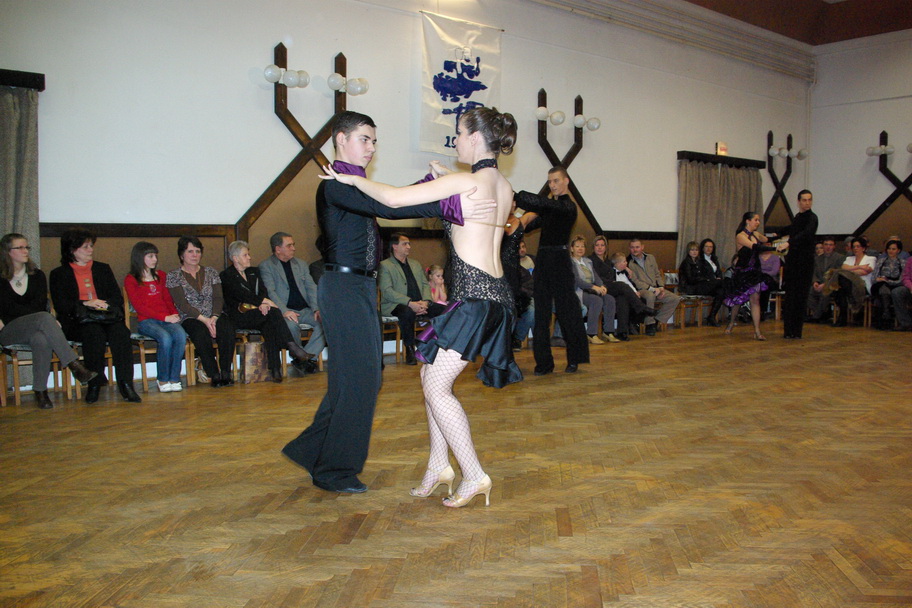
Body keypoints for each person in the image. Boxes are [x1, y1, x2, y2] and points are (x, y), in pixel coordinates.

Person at [280, 110, 495, 495]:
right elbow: (389, 206)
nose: (371, 147)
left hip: (360, 288)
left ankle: (312, 450)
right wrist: (449, 203)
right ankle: (335, 471)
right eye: (364, 139)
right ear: (341, 139)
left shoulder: (356, 184)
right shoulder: (335, 183)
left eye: (374, 141)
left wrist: (429, 185)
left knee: (355, 377)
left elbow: (390, 199)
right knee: (362, 378)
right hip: (343, 287)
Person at [321, 106, 523, 508]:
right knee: (430, 373)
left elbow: (394, 200)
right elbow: (455, 204)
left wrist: (350, 179)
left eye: (459, 134)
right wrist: (440, 177)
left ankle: (474, 474)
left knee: (436, 387)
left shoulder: (464, 182)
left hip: (475, 300)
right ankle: (438, 467)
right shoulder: (503, 186)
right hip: (495, 296)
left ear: (474, 137)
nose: (456, 141)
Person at [1, 233, 97, 408]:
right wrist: (43, 320)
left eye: (26, 247)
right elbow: (7, 308)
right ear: (7, 252)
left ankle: (40, 391)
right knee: (44, 317)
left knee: (41, 339)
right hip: (9, 329)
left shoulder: (37, 275)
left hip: (36, 326)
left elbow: (39, 304)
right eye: (20, 247)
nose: (25, 251)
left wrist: (42, 320)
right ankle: (74, 364)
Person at [49, 229, 141, 404]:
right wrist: (86, 303)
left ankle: (126, 385)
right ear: (72, 249)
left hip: (106, 317)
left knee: (121, 333)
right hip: (78, 321)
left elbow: (117, 298)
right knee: (93, 333)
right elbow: (61, 305)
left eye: (91, 246)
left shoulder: (102, 268)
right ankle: (94, 384)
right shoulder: (58, 274)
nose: (90, 250)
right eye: (85, 247)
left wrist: (104, 303)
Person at [513, 167, 589, 375]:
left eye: (556, 181)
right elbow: (528, 225)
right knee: (541, 313)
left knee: (567, 311)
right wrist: (515, 216)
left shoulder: (567, 207)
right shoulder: (550, 208)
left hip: (560, 261)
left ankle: (574, 359)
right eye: (550, 182)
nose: (552, 185)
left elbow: (541, 203)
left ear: (566, 181)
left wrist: (514, 195)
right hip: (544, 261)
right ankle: (544, 364)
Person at [221, 240, 317, 382]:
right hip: (239, 315)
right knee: (274, 312)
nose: (249, 257)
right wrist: (263, 302)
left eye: (248, 254)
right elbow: (241, 295)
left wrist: (263, 302)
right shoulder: (226, 275)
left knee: (270, 325)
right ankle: (292, 346)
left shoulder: (254, 272)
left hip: (258, 313)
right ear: (235, 258)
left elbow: (263, 290)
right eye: (245, 255)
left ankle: (275, 369)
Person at [166, 236, 236, 387]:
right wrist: (204, 320)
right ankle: (213, 374)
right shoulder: (173, 276)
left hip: (214, 314)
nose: (195, 255)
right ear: (181, 255)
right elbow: (182, 304)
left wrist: (214, 317)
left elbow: (218, 298)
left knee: (227, 328)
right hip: (190, 317)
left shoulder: (211, 272)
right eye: (190, 251)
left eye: (197, 251)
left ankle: (226, 372)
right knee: (200, 332)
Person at [124, 241, 188, 393]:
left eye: (155, 256)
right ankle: (163, 378)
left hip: (166, 318)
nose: (155, 259)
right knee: (165, 338)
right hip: (146, 321)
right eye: (150, 256)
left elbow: (167, 299)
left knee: (180, 334)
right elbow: (139, 307)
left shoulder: (161, 276)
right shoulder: (131, 279)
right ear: (140, 257)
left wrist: (174, 314)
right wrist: (164, 317)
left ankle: (174, 378)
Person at [257, 231, 323, 373]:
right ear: (278, 249)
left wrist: (316, 309)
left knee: (325, 322)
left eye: (293, 245)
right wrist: (284, 311)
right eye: (289, 245)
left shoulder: (301, 264)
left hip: (305, 310)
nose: (293, 248)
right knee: (291, 326)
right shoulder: (266, 266)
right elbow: (270, 292)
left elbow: (311, 288)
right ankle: (302, 358)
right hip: (285, 311)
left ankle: (305, 359)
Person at [378, 233, 447, 365]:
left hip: (420, 303)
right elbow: (387, 291)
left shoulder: (415, 264)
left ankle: (439, 347)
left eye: (409, 244)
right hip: (396, 305)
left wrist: (426, 301)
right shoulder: (385, 265)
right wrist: (410, 303)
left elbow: (425, 284)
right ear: (395, 247)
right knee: (407, 312)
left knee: (444, 310)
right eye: (405, 244)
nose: (409, 247)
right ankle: (410, 350)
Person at [723, 212, 780, 340]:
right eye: (756, 220)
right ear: (748, 221)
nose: (758, 222)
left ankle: (757, 331)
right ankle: (731, 322)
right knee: (738, 300)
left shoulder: (756, 234)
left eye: (759, 220)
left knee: (755, 299)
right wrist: (775, 249)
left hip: (755, 271)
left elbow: (767, 240)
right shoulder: (740, 236)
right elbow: (755, 247)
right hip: (743, 272)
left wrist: (781, 236)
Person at [588, 235, 654, 340]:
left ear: (606, 247)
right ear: (593, 247)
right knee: (622, 285)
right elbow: (594, 277)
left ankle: (622, 332)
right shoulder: (590, 260)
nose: (600, 247)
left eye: (602, 245)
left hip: (610, 287)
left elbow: (617, 267)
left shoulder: (608, 261)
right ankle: (640, 307)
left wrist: (626, 269)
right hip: (599, 287)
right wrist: (611, 283)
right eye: (597, 245)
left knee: (622, 299)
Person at [774, 189, 818, 339]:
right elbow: (791, 229)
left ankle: (796, 331)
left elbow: (806, 233)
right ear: (799, 202)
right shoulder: (798, 217)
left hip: (805, 263)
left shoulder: (812, 218)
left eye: (809, 200)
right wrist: (774, 235)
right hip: (793, 262)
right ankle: (788, 331)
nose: (807, 202)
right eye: (804, 200)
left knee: (800, 297)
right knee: (790, 296)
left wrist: (788, 243)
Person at [570, 235, 618, 344]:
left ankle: (608, 332)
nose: (580, 249)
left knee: (609, 299)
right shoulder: (570, 262)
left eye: (582, 246)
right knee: (596, 301)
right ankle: (591, 333)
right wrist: (593, 287)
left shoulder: (587, 261)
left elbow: (596, 277)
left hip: (591, 290)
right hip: (578, 291)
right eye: (577, 246)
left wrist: (602, 286)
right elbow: (577, 281)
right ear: (572, 249)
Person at [626, 238, 681, 335]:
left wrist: (661, 287)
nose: (635, 250)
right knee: (650, 296)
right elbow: (635, 281)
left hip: (656, 288)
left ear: (642, 247)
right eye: (632, 247)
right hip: (641, 290)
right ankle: (649, 325)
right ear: (629, 248)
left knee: (675, 298)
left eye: (637, 247)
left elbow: (657, 274)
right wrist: (652, 289)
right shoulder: (628, 262)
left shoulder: (650, 257)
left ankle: (657, 321)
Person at [502, 208, 537, 351]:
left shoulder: (532, 260)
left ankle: (517, 339)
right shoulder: (498, 224)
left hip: (520, 283)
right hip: (502, 277)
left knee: (530, 308)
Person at [823, 237, 875, 327]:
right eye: (854, 247)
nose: (855, 248)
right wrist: (860, 267)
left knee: (841, 281)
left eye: (858, 246)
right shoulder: (849, 258)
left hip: (862, 286)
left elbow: (865, 272)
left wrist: (850, 270)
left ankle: (842, 316)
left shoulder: (871, 258)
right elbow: (843, 268)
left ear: (863, 248)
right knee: (841, 286)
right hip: (847, 287)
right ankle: (847, 304)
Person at [677, 239, 725, 326]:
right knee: (721, 283)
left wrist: (706, 280)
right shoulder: (686, 263)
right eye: (692, 250)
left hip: (700, 286)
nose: (694, 252)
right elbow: (690, 279)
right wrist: (706, 280)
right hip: (690, 288)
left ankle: (711, 317)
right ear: (688, 251)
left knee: (720, 292)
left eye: (696, 250)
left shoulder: (698, 261)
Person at [807, 237, 845, 323]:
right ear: (823, 246)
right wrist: (815, 282)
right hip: (819, 283)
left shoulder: (840, 258)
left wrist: (825, 284)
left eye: (830, 245)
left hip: (833, 284)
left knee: (825, 293)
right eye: (826, 244)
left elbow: (838, 273)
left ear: (834, 246)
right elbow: (814, 272)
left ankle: (816, 317)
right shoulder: (817, 259)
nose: (828, 247)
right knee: (807, 293)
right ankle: (823, 314)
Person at [870, 239, 905, 329]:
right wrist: (879, 279)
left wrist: (888, 281)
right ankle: (886, 313)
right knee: (883, 288)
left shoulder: (902, 262)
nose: (891, 251)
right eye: (889, 249)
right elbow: (873, 277)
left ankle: (885, 315)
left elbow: (902, 280)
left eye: (893, 249)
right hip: (880, 284)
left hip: (895, 285)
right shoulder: (881, 261)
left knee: (887, 290)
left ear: (898, 250)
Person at [891, 255, 912, 331]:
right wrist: (910, 287)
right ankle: (906, 323)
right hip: (910, 288)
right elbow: (905, 277)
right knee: (897, 292)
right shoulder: (910, 260)